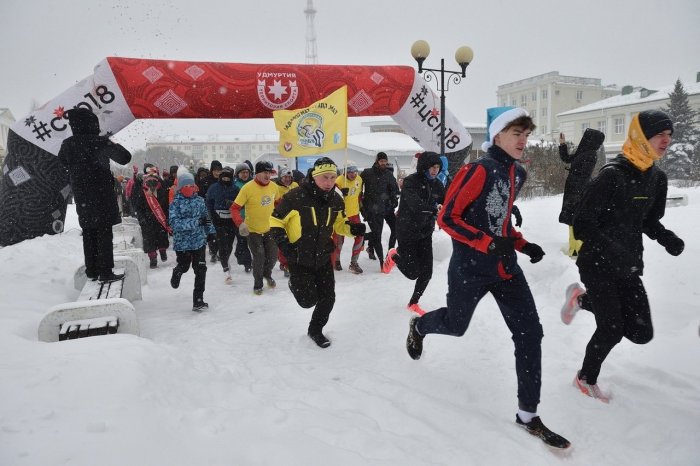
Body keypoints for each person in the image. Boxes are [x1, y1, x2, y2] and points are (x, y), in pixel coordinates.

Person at [405, 107, 570, 449]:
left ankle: (528, 415)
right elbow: (448, 219)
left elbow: (501, 220)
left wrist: (523, 244)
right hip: (470, 269)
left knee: (530, 334)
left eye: (526, 135)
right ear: (497, 136)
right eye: (516, 134)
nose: (523, 141)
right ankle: (418, 327)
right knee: (456, 324)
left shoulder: (517, 174)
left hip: (506, 269)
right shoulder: (476, 170)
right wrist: (485, 242)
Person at [561, 110, 684, 402]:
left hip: (628, 264)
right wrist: (611, 247)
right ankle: (585, 379)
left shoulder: (657, 178)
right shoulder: (612, 176)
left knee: (641, 332)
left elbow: (648, 221)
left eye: (669, 136)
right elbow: (582, 223)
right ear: (641, 137)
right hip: (596, 263)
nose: (666, 141)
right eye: (659, 135)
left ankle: (580, 299)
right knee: (612, 328)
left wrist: (667, 238)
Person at [270, 157, 365, 348]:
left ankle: (315, 330)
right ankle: (294, 283)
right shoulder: (296, 196)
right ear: (314, 176)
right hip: (299, 256)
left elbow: (338, 224)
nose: (329, 182)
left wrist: (351, 229)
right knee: (307, 301)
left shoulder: (336, 199)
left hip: (322, 256)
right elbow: (275, 221)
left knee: (328, 298)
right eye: (325, 178)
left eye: (332, 177)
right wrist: (285, 244)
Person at [57, 108, 131, 282]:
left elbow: (62, 161)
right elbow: (125, 158)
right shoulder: (100, 142)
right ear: (92, 123)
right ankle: (105, 271)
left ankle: (92, 270)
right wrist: (111, 143)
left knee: (89, 231)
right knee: (104, 232)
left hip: (82, 195)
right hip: (102, 193)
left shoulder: (68, 144)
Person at [383, 152, 445, 315]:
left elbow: (448, 201)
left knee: (427, 273)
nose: (435, 171)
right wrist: (434, 209)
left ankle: (413, 303)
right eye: (432, 167)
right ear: (424, 167)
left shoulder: (437, 184)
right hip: (407, 231)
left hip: (425, 232)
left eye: (438, 168)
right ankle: (393, 255)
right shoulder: (411, 182)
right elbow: (415, 204)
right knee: (412, 273)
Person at [230, 161, 279, 295]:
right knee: (259, 256)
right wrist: (240, 223)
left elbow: (279, 203)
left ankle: (267, 274)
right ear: (256, 174)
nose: (267, 175)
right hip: (252, 230)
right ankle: (258, 283)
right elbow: (234, 208)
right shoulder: (247, 188)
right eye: (264, 172)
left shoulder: (274, 187)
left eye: (269, 173)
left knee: (273, 255)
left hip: (270, 228)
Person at [169, 168, 213, 311]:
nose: (189, 188)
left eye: (191, 186)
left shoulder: (200, 201)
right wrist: (196, 222)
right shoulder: (175, 204)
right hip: (183, 243)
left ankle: (198, 300)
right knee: (185, 266)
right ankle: (177, 272)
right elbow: (175, 224)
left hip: (199, 241)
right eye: (185, 186)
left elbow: (206, 218)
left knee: (200, 269)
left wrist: (211, 232)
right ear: (180, 188)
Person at [558, 129, 605, 257]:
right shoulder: (583, 152)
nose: (583, 139)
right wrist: (563, 145)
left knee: (574, 219)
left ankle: (576, 250)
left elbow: (585, 176)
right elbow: (567, 159)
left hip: (578, 191)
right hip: (574, 189)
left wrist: (576, 195)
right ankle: (575, 248)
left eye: (586, 137)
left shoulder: (590, 155)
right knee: (571, 218)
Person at [360, 151, 398, 269]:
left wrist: (394, 200)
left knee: (396, 229)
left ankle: (389, 254)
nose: (384, 163)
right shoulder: (367, 173)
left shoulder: (388, 174)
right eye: (382, 161)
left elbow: (394, 189)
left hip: (387, 208)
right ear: (377, 161)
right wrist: (361, 204)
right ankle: (382, 261)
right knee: (377, 234)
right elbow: (356, 184)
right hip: (372, 209)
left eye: (385, 161)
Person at [206, 166, 240, 284]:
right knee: (221, 243)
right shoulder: (213, 188)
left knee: (229, 244)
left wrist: (233, 204)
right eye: (224, 177)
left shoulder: (235, 189)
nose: (226, 180)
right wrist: (211, 216)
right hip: (218, 219)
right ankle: (226, 270)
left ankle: (225, 258)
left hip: (231, 220)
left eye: (228, 178)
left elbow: (240, 204)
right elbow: (209, 202)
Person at [132, 166, 170, 268]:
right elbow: (138, 208)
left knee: (162, 238)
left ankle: (162, 251)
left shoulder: (162, 192)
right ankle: (152, 258)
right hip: (147, 221)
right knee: (149, 241)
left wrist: (167, 217)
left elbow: (166, 206)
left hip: (160, 219)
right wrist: (141, 218)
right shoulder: (142, 193)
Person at [332, 161, 364, 274]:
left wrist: (362, 207)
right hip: (342, 216)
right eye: (350, 172)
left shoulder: (359, 180)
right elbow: (333, 199)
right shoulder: (338, 182)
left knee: (360, 237)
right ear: (345, 172)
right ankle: (336, 260)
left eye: (355, 172)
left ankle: (354, 262)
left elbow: (359, 196)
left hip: (354, 214)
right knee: (339, 240)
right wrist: (341, 194)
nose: (353, 175)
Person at [274, 166, 299, 277]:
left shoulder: (295, 186)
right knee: (283, 242)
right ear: (280, 177)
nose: (287, 179)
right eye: (285, 177)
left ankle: (293, 262)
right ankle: (285, 265)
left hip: (294, 218)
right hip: (281, 218)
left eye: (289, 177)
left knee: (294, 241)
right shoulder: (275, 188)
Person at [232, 163, 253, 273]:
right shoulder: (234, 185)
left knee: (252, 242)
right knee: (242, 242)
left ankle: (249, 262)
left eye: (247, 172)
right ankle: (246, 262)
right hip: (239, 218)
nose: (245, 174)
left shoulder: (253, 184)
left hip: (253, 218)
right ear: (237, 174)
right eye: (242, 172)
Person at [199, 161, 221, 262]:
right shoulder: (205, 181)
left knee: (220, 231)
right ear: (212, 170)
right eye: (216, 171)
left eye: (219, 171)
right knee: (211, 232)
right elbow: (201, 195)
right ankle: (213, 251)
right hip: (208, 209)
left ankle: (219, 251)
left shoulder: (223, 180)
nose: (218, 173)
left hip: (220, 208)